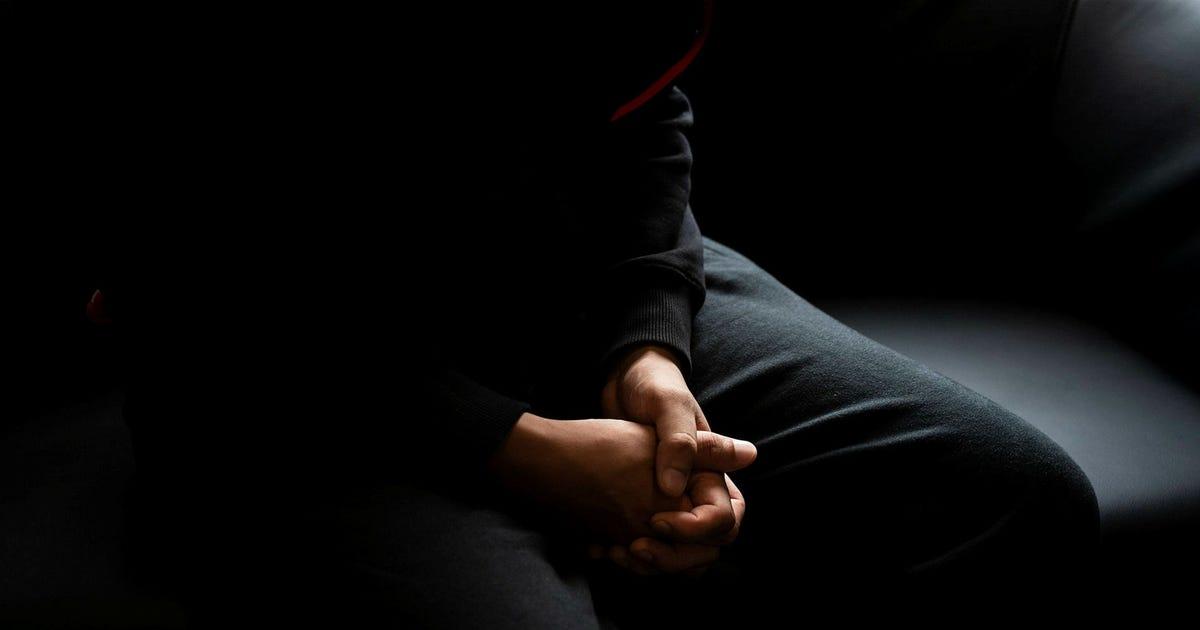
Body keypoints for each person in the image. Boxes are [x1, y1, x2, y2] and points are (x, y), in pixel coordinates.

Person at [94, 2, 1101, 627]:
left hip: (569, 283)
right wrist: (514, 449)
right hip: (291, 372)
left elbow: (645, 117)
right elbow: (189, 275)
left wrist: (650, 347)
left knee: (1007, 495)